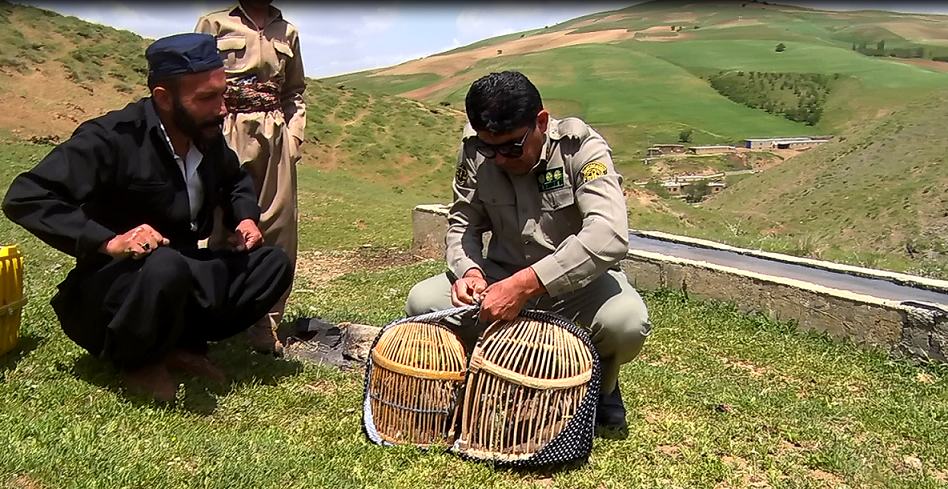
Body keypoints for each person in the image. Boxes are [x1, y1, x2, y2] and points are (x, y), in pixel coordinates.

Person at [1, 33, 293, 402]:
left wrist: (245, 218)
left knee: (271, 264)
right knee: (166, 266)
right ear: (163, 98)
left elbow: (235, 180)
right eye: (206, 98)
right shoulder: (111, 138)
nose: (222, 109)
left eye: (222, 94)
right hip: (116, 288)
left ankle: (179, 344)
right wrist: (110, 241)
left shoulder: (204, 133)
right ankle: (140, 360)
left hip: (179, 269)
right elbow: (26, 197)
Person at [404, 71, 651, 431]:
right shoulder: (476, 151)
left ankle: (600, 385)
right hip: (498, 279)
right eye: (491, 148)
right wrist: (469, 272)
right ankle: (487, 377)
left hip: (573, 288)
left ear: (541, 121)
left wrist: (525, 285)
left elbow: (608, 234)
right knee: (423, 301)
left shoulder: (580, 149)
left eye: (511, 147)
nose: (501, 159)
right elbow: (462, 225)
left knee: (625, 322)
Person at [195, 0, 306, 357]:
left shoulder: (287, 31)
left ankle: (265, 324)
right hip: (223, 131)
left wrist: (293, 138)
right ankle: (203, 317)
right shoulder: (212, 23)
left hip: (275, 137)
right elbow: (195, 81)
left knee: (278, 225)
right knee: (215, 223)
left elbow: (294, 91)